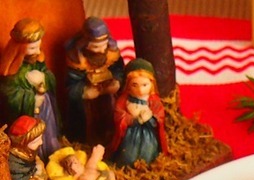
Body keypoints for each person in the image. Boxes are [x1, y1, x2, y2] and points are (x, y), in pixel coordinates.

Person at [0, 18, 61, 160]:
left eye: (39, 46)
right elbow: (8, 95)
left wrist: (43, 78)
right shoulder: (11, 71)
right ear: (19, 48)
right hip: (29, 114)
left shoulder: (37, 59)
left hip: (45, 109)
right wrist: (31, 98)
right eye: (33, 48)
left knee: (48, 134)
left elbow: (48, 75)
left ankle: (50, 151)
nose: (38, 51)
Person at [65, 16, 124, 145]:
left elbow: (119, 71)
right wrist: (85, 91)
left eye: (104, 45)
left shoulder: (111, 55)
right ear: (85, 44)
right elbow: (70, 87)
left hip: (108, 97)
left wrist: (117, 82)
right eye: (97, 47)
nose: (102, 50)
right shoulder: (77, 61)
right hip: (87, 105)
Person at [110, 58, 168, 167]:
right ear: (128, 85)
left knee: (148, 154)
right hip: (130, 135)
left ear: (152, 84)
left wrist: (150, 118)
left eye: (144, 85)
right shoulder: (124, 100)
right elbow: (119, 116)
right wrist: (134, 120)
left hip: (148, 136)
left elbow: (159, 118)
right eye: (135, 85)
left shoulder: (154, 101)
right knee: (128, 156)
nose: (140, 90)